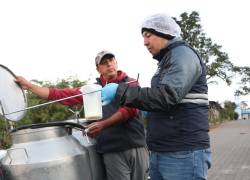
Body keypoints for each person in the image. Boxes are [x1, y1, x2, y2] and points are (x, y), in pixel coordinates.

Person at [101, 14, 212, 180]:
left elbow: (166, 96)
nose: (145, 42)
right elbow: (161, 100)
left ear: (165, 33)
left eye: (148, 35)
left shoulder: (182, 55)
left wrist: (120, 91)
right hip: (163, 150)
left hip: (183, 152)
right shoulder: (167, 61)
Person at [15, 50, 149, 180]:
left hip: (136, 146)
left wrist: (103, 124)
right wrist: (29, 86)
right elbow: (61, 95)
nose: (109, 64)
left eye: (111, 60)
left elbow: (130, 110)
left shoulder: (130, 83)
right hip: (112, 151)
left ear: (116, 62)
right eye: (104, 63)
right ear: (98, 69)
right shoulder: (93, 91)